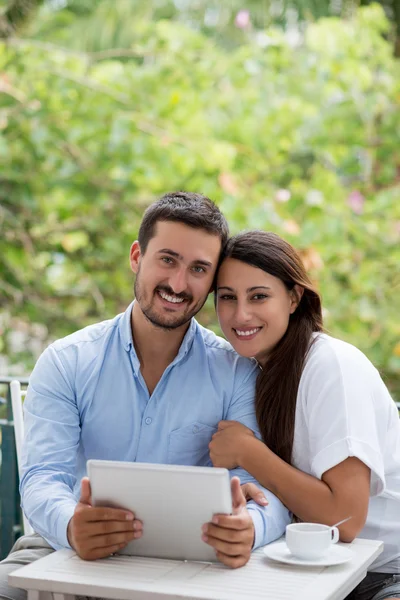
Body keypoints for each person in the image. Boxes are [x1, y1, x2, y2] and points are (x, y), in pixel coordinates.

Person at [0, 193, 290, 600]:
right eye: (167, 259)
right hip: (68, 550)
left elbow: (262, 489)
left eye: (198, 269)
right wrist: (70, 524)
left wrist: (251, 529)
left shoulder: (236, 372)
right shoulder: (67, 361)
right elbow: (42, 478)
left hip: (192, 564)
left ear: (211, 282)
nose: (177, 283)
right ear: (137, 256)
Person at [209, 229, 400, 600]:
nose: (240, 314)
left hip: (385, 572)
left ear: (294, 298)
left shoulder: (330, 366)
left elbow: (345, 519)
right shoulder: (250, 371)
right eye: (227, 298)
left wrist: (250, 454)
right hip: (307, 567)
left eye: (259, 296)